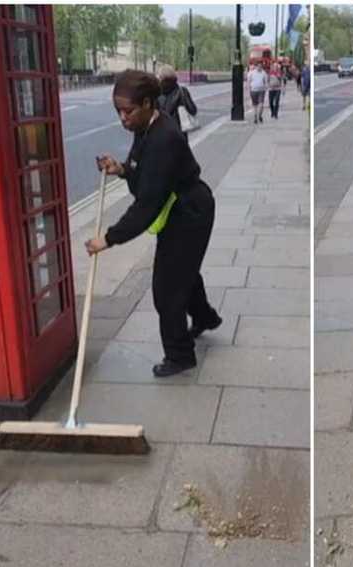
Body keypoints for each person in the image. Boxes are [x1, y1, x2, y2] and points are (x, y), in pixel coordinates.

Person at [87, 70, 222, 377]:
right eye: (118, 112)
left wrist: (108, 239)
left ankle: (179, 355)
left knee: (166, 289)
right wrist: (121, 168)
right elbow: (143, 174)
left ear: (148, 103)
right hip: (178, 209)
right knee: (182, 272)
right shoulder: (146, 128)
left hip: (189, 213)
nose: (123, 118)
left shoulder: (164, 137)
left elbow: (146, 204)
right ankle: (205, 318)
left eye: (128, 111)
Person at [156, 66, 196, 138]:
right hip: (179, 134)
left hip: (161, 134)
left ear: (161, 79)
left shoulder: (156, 93)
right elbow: (193, 110)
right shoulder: (182, 91)